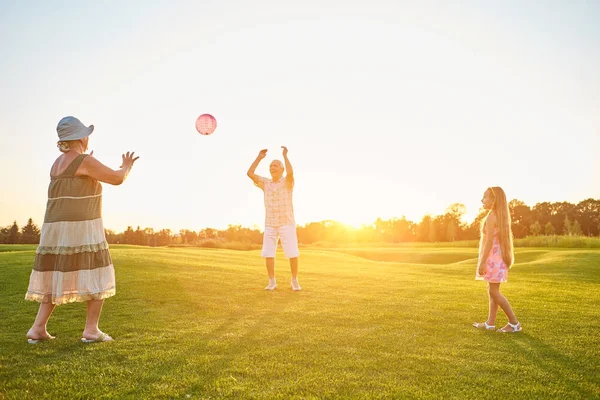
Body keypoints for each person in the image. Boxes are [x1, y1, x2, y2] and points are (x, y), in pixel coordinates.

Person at [25, 116, 139, 343]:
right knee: (98, 269)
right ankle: (91, 330)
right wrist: (126, 167)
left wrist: (90, 164)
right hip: (82, 226)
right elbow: (116, 178)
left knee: (55, 273)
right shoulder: (84, 160)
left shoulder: (57, 163)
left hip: (55, 227)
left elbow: (76, 180)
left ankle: (38, 329)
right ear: (80, 137)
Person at [247, 146, 301, 291]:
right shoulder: (265, 183)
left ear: (282, 169)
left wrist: (285, 156)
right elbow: (250, 173)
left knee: (292, 252)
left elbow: (291, 172)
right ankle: (272, 281)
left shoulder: (287, 182)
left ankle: (294, 280)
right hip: (270, 223)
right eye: (271, 165)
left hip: (286, 222)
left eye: (276, 165)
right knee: (268, 253)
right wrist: (259, 157)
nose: (272, 167)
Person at [473, 186, 522, 333]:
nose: (482, 200)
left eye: (485, 197)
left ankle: (514, 323)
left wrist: (482, 262)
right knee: (492, 290)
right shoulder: (499, 217)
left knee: (494, 292)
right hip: (498, 260)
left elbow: (488, 243)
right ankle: (490, 323)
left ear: (494, 200)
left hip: (492, 260)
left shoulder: (491, 217)